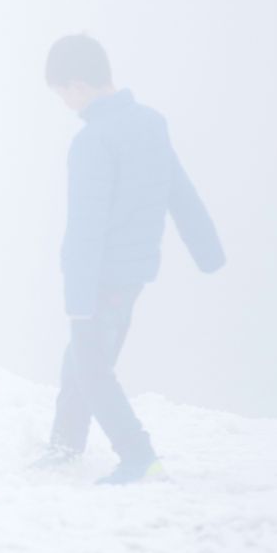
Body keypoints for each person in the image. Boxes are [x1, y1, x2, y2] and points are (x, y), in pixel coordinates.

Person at [36, 34, 225, 484]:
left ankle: (139, 458)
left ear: (76, 85)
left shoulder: (93, 141)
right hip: (133, 275)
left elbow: (86, 227)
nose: (65, 103)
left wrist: (77, 300)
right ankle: (65, 447)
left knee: (91, 368)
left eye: (61, 92)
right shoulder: (149, 123)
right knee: (80, 362)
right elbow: (181, 192)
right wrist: (209, 253)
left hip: (101, 279)